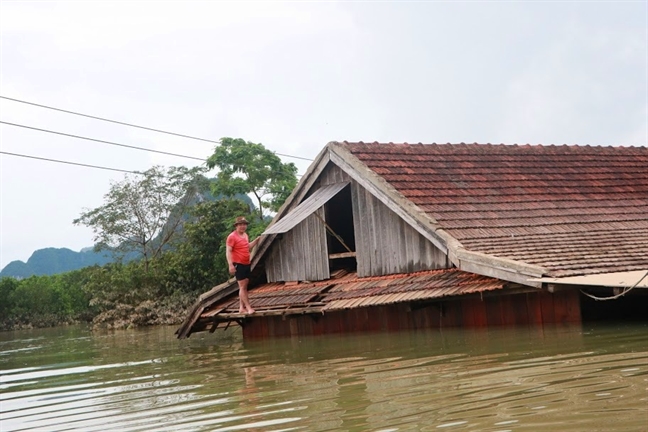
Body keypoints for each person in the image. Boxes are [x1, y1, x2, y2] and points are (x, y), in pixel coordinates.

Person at [226, 216, 262, 314]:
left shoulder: (245, 235)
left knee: (244, 285)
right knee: (242, 286)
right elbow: (228, 251)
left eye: (244, 224)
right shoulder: (232, 237)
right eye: (240, 224)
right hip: (238, 264)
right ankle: (249, 308)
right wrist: (230, 265)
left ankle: (241, 307)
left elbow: (247, 246)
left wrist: (257, 240)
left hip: (246, 263)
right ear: (236, 226)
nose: (243, 226)